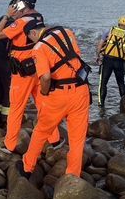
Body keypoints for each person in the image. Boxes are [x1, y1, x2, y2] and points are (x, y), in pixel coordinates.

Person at [17, 19, 91, 177]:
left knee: (41, 131)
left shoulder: (39, 47)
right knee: (77, 139)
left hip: (58, 95)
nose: (32, 41)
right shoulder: (67, 32)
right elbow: (75, 57)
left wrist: (44, 93)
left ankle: (27, 167)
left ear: (34, 33)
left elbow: (45, 77)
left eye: (30, 38)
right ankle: (73, 175)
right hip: (81, 91)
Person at [0, 0, 60, 152]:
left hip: (21, 71)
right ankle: (55, 139)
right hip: (36, 67)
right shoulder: (39, 17)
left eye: (17, 1)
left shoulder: (20, 22)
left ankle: (9, 144)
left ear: (23, 3)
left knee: (16, 107)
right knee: (42, 104)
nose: (15, 4)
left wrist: (8, 16)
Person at [0, 1, 16, 126]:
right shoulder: (13, 24)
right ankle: (6, 118)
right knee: (8, 89)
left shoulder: (2, 20)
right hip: (6, 60)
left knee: (0, 88)